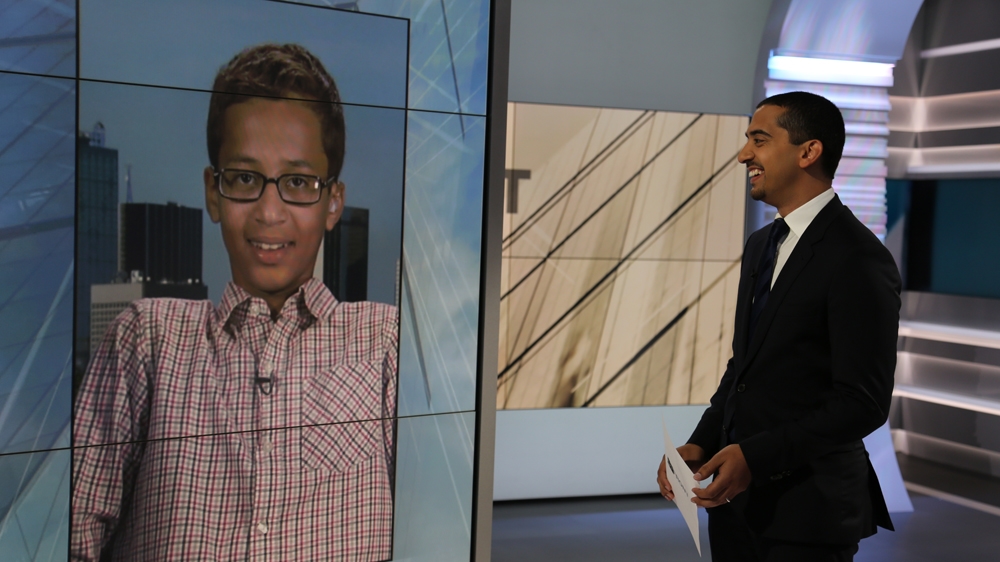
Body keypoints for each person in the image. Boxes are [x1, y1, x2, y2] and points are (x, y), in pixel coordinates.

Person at [72, 44, 398, 561]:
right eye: (245, 179)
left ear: (333, 201)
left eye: (297, 183)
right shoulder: (147, 339)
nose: (269, 212)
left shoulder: (386, 345)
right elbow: (72, 535)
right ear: (213, 192)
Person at [657, 91, 899, 561]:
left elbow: (862, 403)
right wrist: (702, 442)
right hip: (736, 509)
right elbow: (744, 370)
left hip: (810, 516)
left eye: (760, 140)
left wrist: (755, 457)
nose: (744, 154)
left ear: (809, 152)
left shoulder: (859, 258)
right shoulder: (760, 244)